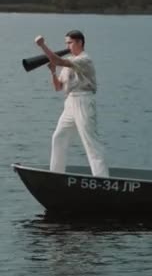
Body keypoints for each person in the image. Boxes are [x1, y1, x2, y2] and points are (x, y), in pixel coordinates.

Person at [34, 30, 109, 177]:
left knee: (90, 142)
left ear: (80, 42)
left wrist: (43, 46)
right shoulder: (69, 61)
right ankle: (56, 174)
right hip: (70, 102)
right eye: (66, 43)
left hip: (83, 100)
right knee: (58, 137)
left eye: (70, 43)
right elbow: (58, 87)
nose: (67, 46)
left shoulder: (84, 59)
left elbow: (59, 60)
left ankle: (102, 178)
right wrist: (53, 72)